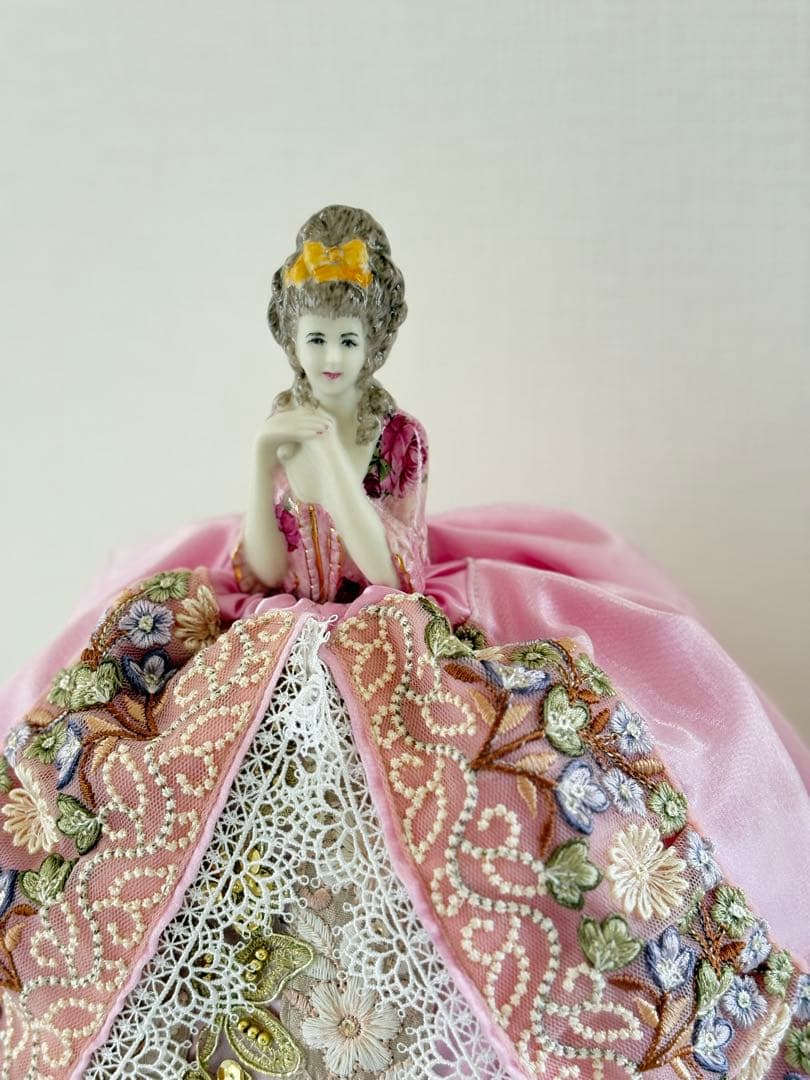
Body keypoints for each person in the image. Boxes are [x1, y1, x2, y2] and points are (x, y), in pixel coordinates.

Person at [0, 206, 808, 1080]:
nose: (330, 357)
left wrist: (333, 476)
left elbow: (396, 566)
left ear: (375, 343)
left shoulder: (395, 440)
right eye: (316, 337)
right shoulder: (286, 423)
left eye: (347, 339)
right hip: (282, 622)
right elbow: (259, 565)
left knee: (472, 755)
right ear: (291, 338)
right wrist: (265, 463)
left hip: (384, 616)